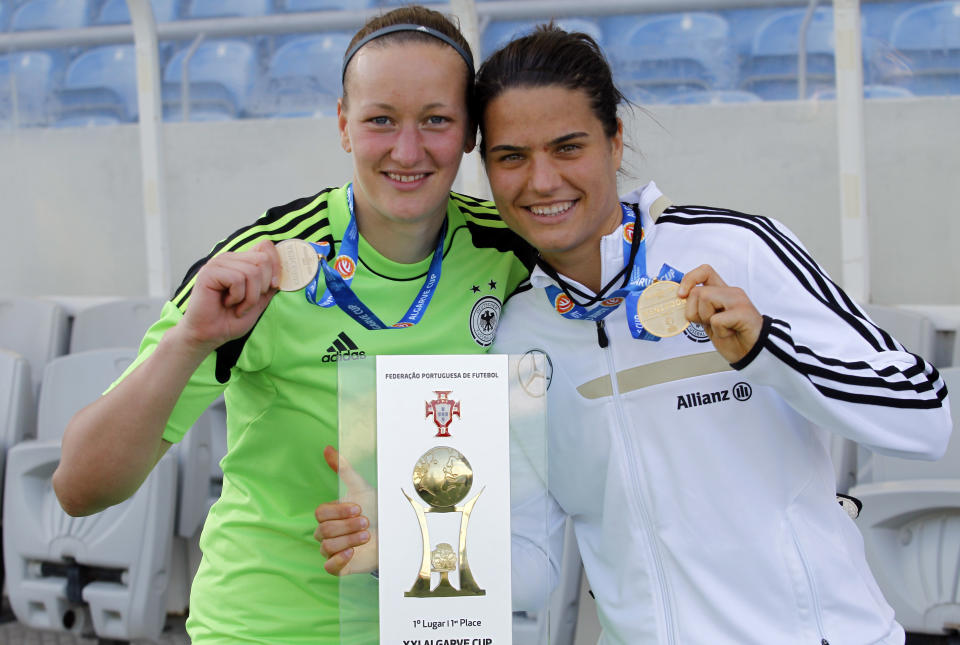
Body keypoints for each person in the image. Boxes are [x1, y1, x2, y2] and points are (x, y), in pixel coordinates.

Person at [317, 25, 952, 645]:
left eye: (568, 147)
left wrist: (767, 350)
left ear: (615, 142)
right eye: (512, 156)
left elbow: (928, 419)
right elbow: (533, 567)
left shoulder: (740, 250)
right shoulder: (515, 333)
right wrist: (410, 546)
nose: (541, 181)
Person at [52, 6, 534, 643]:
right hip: (267, 627)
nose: (407, 150)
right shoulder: (260, 266)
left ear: (470, 132)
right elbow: (81, 487)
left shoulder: (514, 251)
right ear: (343, 123)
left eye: (436, 120)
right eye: (380, 119)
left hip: (442, 623)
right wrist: (192, 339)